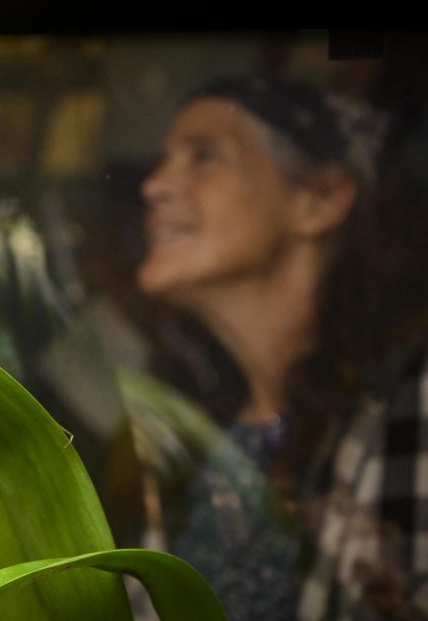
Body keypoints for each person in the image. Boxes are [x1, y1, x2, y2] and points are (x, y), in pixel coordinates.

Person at [135, 76, 427, 620]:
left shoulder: (409, 405)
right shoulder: (195, 432)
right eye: (162, 161)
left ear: (320, 199)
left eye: (204, 157)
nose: (154, 186)